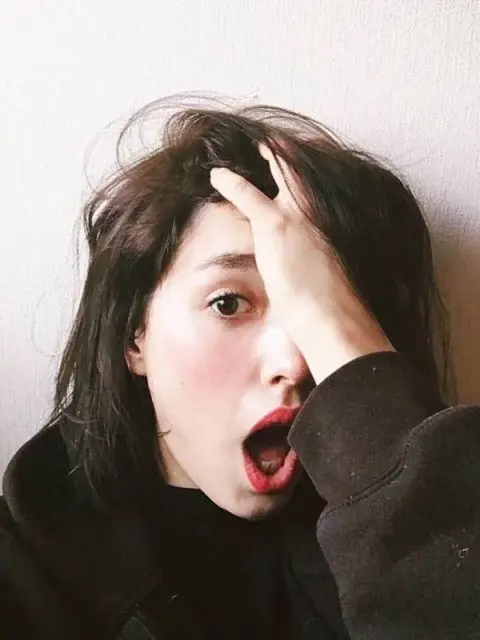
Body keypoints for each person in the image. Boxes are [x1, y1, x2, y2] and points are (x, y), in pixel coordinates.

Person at [0, 96, 479, 640]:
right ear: (134, 336)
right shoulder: (23, 577)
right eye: (228, 303)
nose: (294, 362)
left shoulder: (413, 537)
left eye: (326, 313)